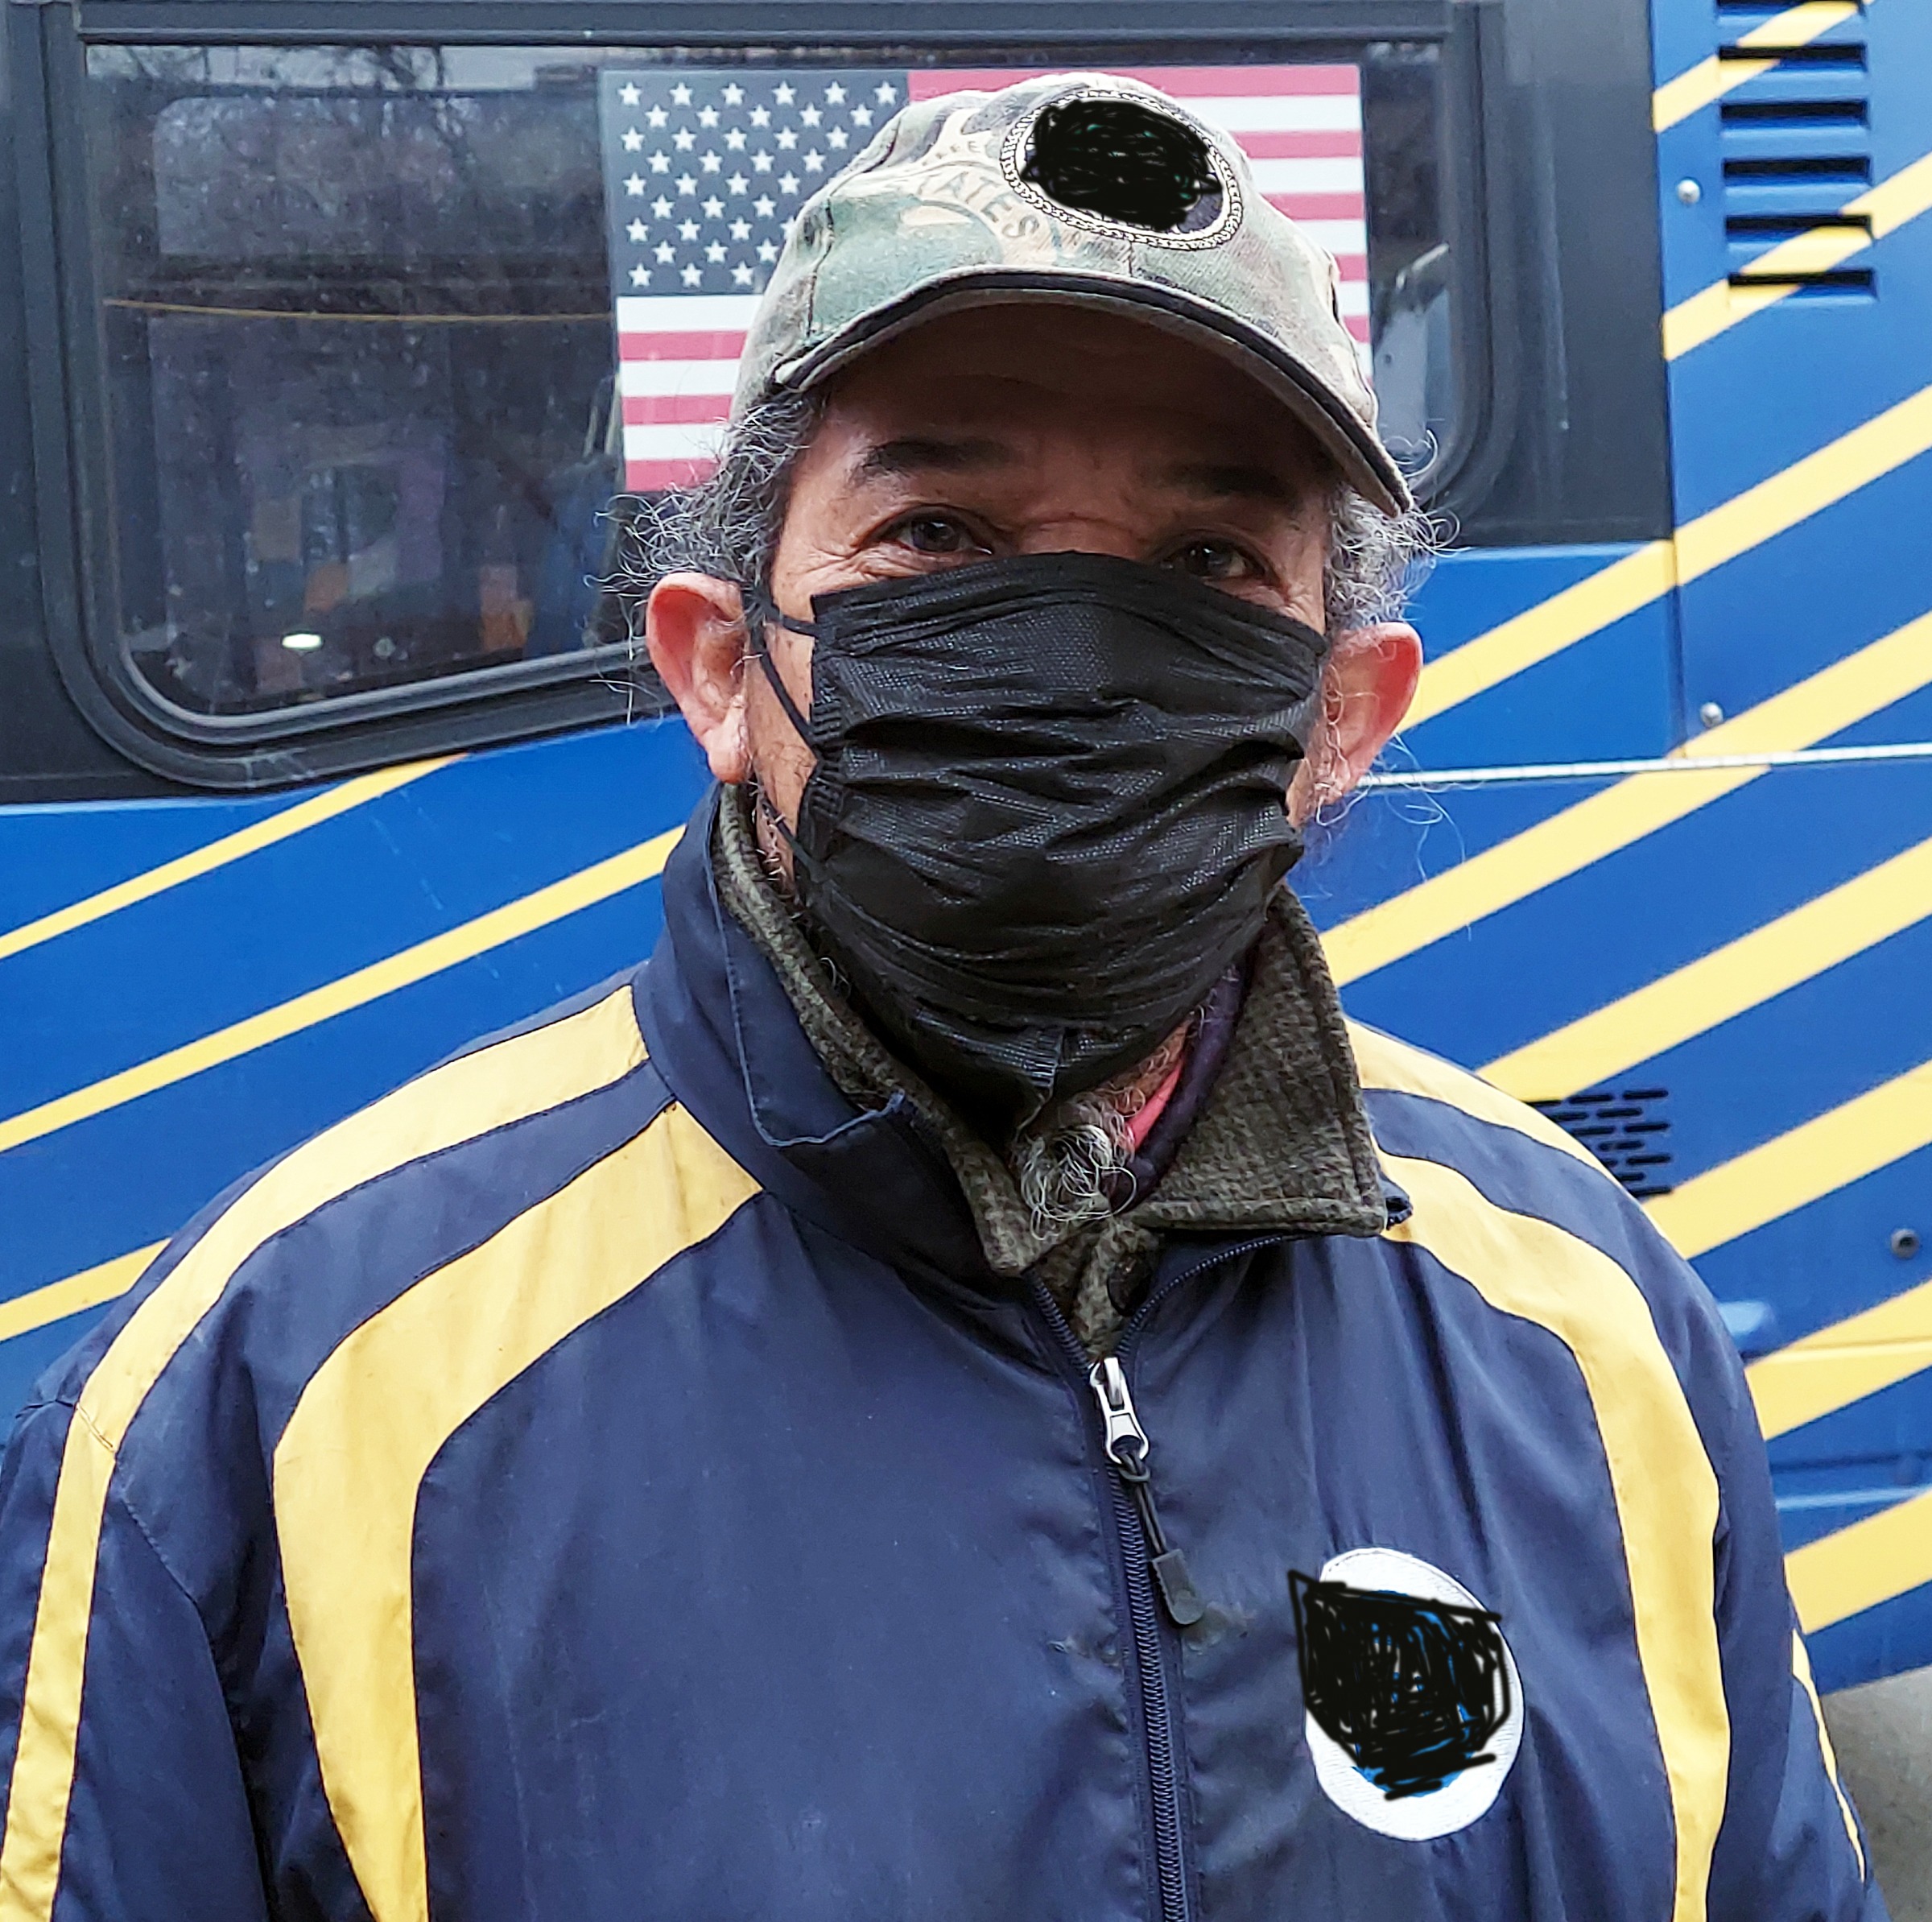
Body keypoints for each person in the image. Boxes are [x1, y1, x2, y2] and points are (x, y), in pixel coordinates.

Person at [0, 72, 1882, 1922]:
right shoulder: (272, 1408)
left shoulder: (1593, 1332)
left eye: (1209, 566)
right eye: (937, 542)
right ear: (720, 668)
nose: (1073, 652)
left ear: (1344, 718)